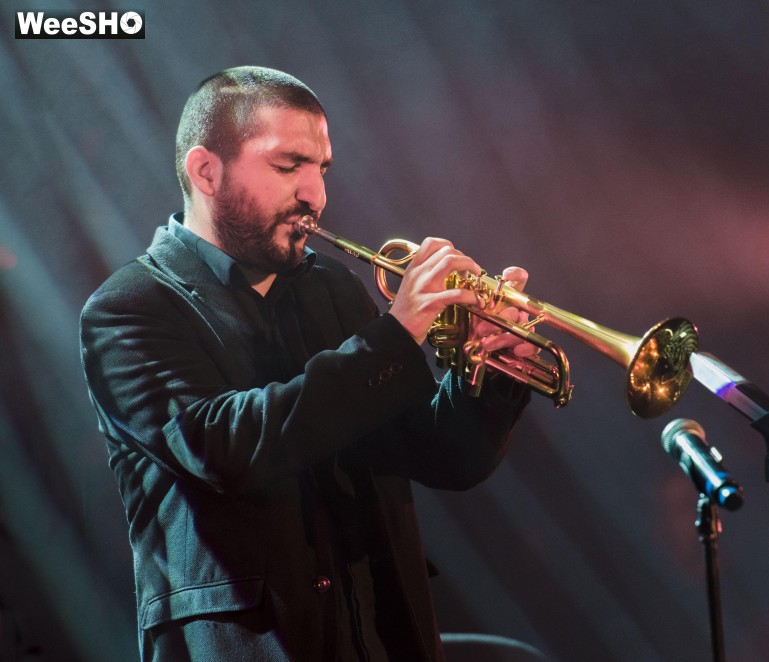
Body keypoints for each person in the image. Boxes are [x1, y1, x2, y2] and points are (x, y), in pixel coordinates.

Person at [80, 65, 535, 661]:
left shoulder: (333, 289)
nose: (315, 193)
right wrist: (395, 335)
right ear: (206, 171)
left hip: (381, 639)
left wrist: (487, 373)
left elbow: (440, 455)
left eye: (322, 169)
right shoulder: (127, 309)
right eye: (288, 165)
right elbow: (227, 449)